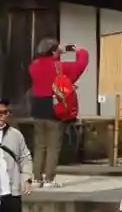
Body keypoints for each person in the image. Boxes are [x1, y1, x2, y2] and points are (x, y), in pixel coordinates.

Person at [26, 37, 89, 188]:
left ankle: (36, 178)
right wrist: (80, 51)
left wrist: (57, 52)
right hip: (54, 106)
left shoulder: (33, 66)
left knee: (39, 145)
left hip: (37, 107)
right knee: (53, 146)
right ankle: (49, 178)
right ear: (54, 51)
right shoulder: (60, 67)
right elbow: (80, 65)